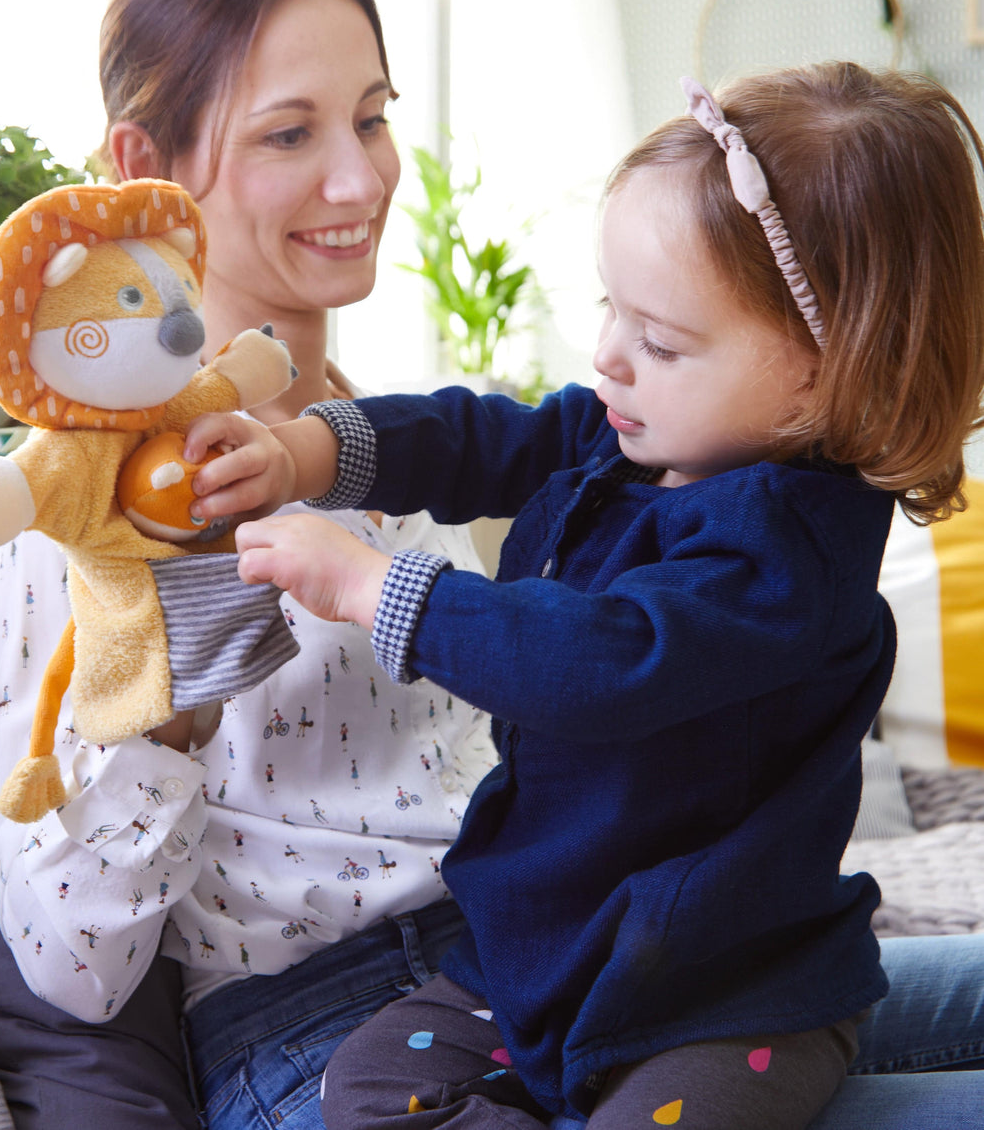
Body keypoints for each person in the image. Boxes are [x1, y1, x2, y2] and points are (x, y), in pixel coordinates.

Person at [185, 62, 984, 1127]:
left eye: (659, 341)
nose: (607, 354)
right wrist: (302, 452)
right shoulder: (632, 439)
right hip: (541, 960)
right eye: (613, 307)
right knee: (365, 1088)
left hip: (722, 999)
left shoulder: (786, 551)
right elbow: (481, 436)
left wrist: (378, 586)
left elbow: (602, 659)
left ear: (828, 369)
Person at [0, 0, 497, 1129]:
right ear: (143, 164)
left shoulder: (386, 438)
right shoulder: (81, 504)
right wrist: (170, 714)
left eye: (371, 118)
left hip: (530, 957)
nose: (361, 180)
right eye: (289, 133)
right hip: (318, 1035)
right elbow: (67, 964)